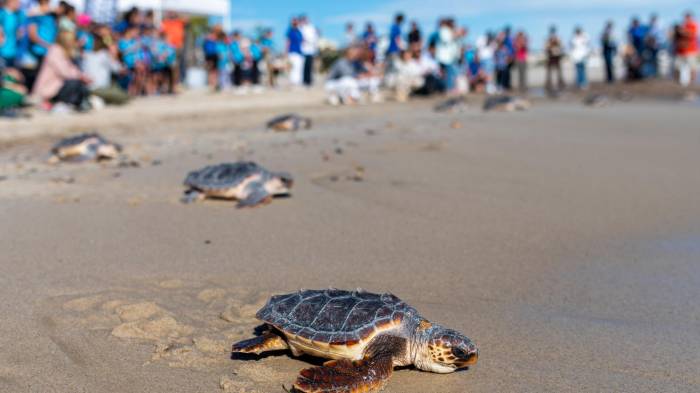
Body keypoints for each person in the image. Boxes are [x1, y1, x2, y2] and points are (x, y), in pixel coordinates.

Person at [32, 30, 91, 111]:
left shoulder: (64, 52)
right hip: (48, 89)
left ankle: (77, 103)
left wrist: (83, 77)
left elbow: (72, 69)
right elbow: (65, 73)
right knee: (73, 83)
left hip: (57, 87)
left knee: (80, 83)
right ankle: (62, 103)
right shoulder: (55, 51)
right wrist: (80, 77)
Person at [82, 33, 128, 105]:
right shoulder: (104, 54)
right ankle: (99, 99)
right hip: (100, 88)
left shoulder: (86, 55)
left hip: (88, 87)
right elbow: (118, 69)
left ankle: (98, 99)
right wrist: (114, 55)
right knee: (125, 97)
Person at [25, 0, 57, 90]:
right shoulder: (35, 13)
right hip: (38, 50)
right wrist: (47, 45)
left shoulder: (51, 14)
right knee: (34, 75)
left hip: (48, 51)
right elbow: (32, 34)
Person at [435, 18, 459, 94]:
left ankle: (447, 88)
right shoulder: (444, 30)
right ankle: (448, 88)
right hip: (445, 57)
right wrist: (456, 35)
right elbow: (446, 40)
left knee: (448, 73)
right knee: (448, 74)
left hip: (449, 57)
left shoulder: (447, 31)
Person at [0, 0, 25, 68]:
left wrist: (20, 33)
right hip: (2, 52)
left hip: (13, 52)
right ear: (10, 2)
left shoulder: (19, 15)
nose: (19, 4)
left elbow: (20, 31)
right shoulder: (2, 14)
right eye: (17, 2)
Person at [676, 11, 697, 87]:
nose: (686, 18)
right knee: (677, 67)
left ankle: (692, 83)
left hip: (691, 50)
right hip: (680, 51)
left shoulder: (693, 25)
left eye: (688, 17)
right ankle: (678, 84)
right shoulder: (682, 25)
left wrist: (683, 31)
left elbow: (693, 35)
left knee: (692, 67)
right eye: (685, 17)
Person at [299, 15, 318, 87]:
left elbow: (315, 38)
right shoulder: (301, 28)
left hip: (311, 50)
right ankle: (304, 81)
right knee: (303, 66)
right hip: (303, 50)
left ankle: (309, 81)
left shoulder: (312, 27)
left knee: (310, 66)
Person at [545, 25, 565, 93]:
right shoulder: (548, 39)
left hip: (557, 56)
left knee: (559, 71)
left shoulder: (558, 38)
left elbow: (562, 46)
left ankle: (560, 83)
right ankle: (549, 84)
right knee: (549, 71)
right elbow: (546, 47)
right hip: (550, 57)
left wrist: (557, 44)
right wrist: (550, 46)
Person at [286, 17, 303, 86]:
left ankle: (298, 81)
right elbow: (287, 41)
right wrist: (286, 51)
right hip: (292, 51)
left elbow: (302, 41)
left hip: (299, 52)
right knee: (292, 67)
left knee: (299, 67)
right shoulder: (290, 31)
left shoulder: (299, 31)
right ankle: (293, 81)